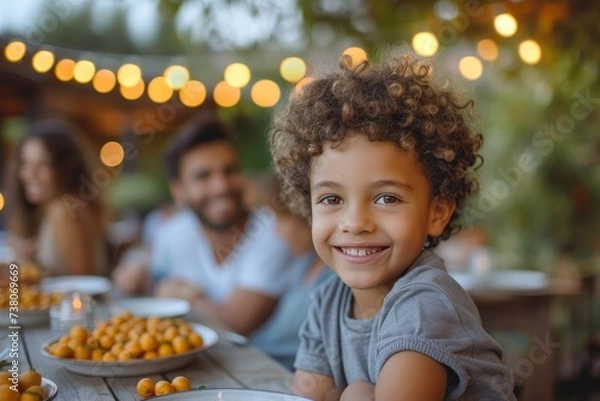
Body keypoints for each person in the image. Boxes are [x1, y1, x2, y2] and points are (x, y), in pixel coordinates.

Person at [269, 49, 516, 400]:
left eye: (387, 198)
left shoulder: (426, 306)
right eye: (331, 199)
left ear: (437, 212)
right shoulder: (327, 302)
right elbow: (306, 395)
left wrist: (354, 394)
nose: (355, 223)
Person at [112, 114, 294, 336]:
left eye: (230, 171)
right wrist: (136, 266)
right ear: (178, 191)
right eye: (203, 176)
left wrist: (187, 296)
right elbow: (147, 260)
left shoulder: (272, 232)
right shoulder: (177, 230)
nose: (221, 186)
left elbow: (236, 324)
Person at [249, 176, 334, 370]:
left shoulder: (335, 278)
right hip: (258, 360)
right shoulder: (302, 265)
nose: (276, 232)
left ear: (305, 217)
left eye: (281, 219)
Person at [5, 120, 109, 276]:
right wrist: (28, 258)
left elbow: (82, 281)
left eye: (43, 165)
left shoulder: (63, 209)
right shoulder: (61, 207)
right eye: (25, 164)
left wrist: (21, 267)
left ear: (66, 168)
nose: (31, 175)